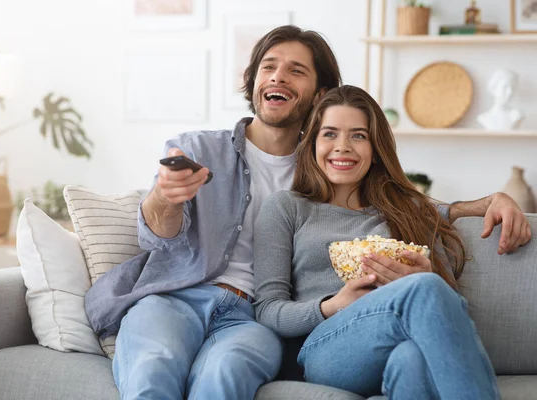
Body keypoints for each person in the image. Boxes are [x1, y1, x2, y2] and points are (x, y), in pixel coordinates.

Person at [84, 25, 529, 400]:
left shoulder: (347, 180)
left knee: (230, 374)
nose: (341, 147)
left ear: (318, 92)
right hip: (188, 297)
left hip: (247, 316)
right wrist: (164, 196)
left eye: (296, 70)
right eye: (269, 66)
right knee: (153, 368)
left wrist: (488, 202)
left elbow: (419, 205)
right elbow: (159, 237)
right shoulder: (210, 155)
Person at [253, 85, 531, 400]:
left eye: (358, 136)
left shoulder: (409, 210)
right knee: (424, 288)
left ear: (375, 150)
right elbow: (267, 310)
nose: (342, 147)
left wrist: (428, 275)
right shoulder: (287, 207)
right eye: (329, 134)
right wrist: (334, 305)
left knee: (411, 358)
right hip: (324, 351)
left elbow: (451, 308)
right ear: (313, 143)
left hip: (397, 346)